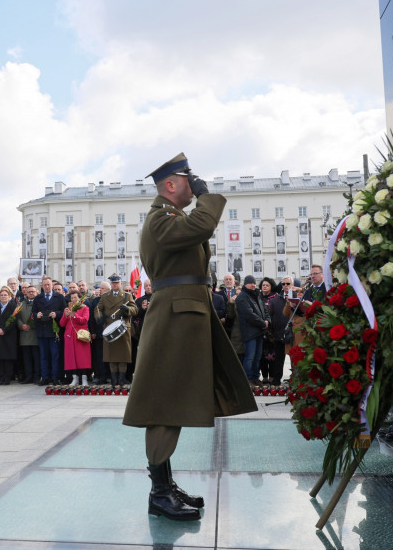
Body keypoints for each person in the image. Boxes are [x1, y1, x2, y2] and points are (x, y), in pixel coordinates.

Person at [123, 152, 256, 521]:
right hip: (175, 318)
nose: (194, 183)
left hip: (184, 315)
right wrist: (207, 197)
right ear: (170, 184)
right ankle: (160, 493)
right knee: (164, 403)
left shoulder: (171, 217)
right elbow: (200, 228)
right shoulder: (161, 218)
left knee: (170, 402)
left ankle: (164, 487)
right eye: (188, 178)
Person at [94, 274, 137, 386]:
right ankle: (114, 380)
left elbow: (135, 309)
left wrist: (127, 309)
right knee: (111, 356)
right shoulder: (105, 296)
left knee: (123, 356)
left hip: (122, 327)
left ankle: (122, 379)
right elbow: (98, 308)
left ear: (121, 284)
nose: (115, 284)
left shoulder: (127, 296)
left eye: (117, 283)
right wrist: (98, 317)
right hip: (109, 327)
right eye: (113, 283)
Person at [236, 275, 268, 385]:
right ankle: (247, 379)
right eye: (251, 283)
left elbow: (264, 310)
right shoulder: (242, 297)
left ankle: (255, 377)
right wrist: (263, 323)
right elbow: (249, 315)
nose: (253, 285)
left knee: (257, 357)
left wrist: (267, 320)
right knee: (250, 357)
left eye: (254, 283)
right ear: (245, 284)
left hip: (259, 331)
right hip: (250, 333)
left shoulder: (256, 295)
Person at [32, 276, 65, 384]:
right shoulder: (38, 298)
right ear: (42, 286)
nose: (47, 287)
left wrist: (57, 314)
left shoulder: (59, 297)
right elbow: (33, 313)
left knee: (55, 355)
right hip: (42, 331)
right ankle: (45, 377)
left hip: (54, 332)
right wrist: (37, 315)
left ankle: (55, 377)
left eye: (48, 285)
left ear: (52, 285)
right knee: (44, 356)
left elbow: (64, 311)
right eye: (45, 285)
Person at [258, 277, 289, 385]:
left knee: (273, 356)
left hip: (274, 332)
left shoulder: (275, 298)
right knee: (262, 356)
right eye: (263, 285)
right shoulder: (258, 297)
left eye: (267, 285)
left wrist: (271, 333)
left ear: (271, 286)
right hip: (261, 332)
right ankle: (264, 377)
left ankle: (273, 377)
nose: (265, 287)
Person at [60, 290, 91, 385]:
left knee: (83, 358)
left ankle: (84, 378)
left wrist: (74, 315)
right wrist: (65, 316)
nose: (73, 300)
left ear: (79, 299)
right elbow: (62, 324)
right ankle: (75, 378)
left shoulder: (84, 308)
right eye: (72, 298)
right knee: (71, 358)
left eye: (75, 298)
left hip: (80, 335)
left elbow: (84, 320)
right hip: (70, 336)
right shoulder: (67, 308)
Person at [17, 285, 40, 383]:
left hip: (35, 335)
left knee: (36, 359)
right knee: (26, 359)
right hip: (24, 336)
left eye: (33, 292)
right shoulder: (21, 304)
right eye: (29, 291)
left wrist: (32, 325)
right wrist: (21, 325)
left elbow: (40, 316)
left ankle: (37, 377)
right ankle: (28, 377)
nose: (31, 293)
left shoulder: (39, 304)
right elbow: (16, 317)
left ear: (36, 293)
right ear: (26, 293)